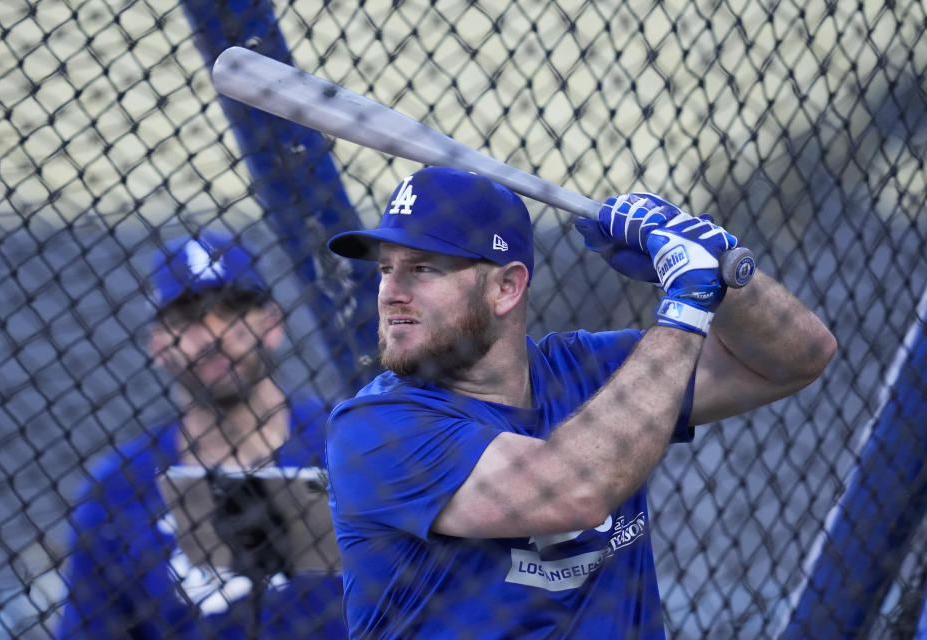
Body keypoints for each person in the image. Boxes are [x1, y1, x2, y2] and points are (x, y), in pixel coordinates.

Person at [324, 166, 837, 639]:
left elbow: (800, 355)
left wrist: (723, 269)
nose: (391, 291)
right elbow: (570, 492)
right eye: (386, 269)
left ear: (506, 287)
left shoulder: (590, 370)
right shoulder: (373, 430)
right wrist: (686, 304)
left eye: (422, 269)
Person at [58, 231, 346, 639]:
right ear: (158, 346)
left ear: (272, 325)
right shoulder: (116, 495)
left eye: (231, 311)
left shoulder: (359, 445)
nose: (213, 336)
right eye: (189, 319)